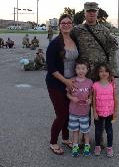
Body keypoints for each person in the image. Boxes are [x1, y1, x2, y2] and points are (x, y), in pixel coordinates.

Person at [71, 1, 119, 148]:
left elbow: (113, 50)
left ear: (97, 12)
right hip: (83, 76)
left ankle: (99, 138)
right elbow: (68, 45)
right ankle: (81, 138)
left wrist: (113, 74)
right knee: (83, 106)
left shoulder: (105, 30)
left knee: (100, 108)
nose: (91, 13)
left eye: (94, 11)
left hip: (100, 76)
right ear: (84, 12)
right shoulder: (77, 30)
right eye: (89, 11)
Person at [46, 14, 78, 155]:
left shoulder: (74, 40)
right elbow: (51, 67)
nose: (66, 24)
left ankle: (65, 138)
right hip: (56, 83)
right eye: (63, 23)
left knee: (68, 113)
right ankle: (53, 142)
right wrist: (66, 81)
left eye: (68, 22)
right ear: (59, 25)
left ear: (72, 25)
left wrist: (76, 79)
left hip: (72, 82)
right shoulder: (55, 43)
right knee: (62, 114)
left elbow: (79, 60)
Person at [66, 59, 93, 157]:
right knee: (75, 131)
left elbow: (91, 95)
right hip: (73, 111)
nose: (81, 71)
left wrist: (90, 100)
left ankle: (87, 147)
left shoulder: (89, 82)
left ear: (87, 70)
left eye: (83, 68)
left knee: (85, 131)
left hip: (84, 113)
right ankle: (75, 147)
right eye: (78, 68)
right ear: (75, 70)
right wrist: (72, 97)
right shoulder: (71, 81)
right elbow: (67, 94)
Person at [92, 63, 118, 157]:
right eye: (101, 71)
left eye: (106, 71)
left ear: (109, 73)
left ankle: (110, 147)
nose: (104, 73)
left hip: (109, 112)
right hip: (98, 112)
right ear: (98, 73)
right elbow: (93, 100)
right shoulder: (95, 85)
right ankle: (97, 146)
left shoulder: (112, 85)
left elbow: (115, 99)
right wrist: (94, 111)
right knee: (98, 130)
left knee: (109, 130)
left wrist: (115, 111)